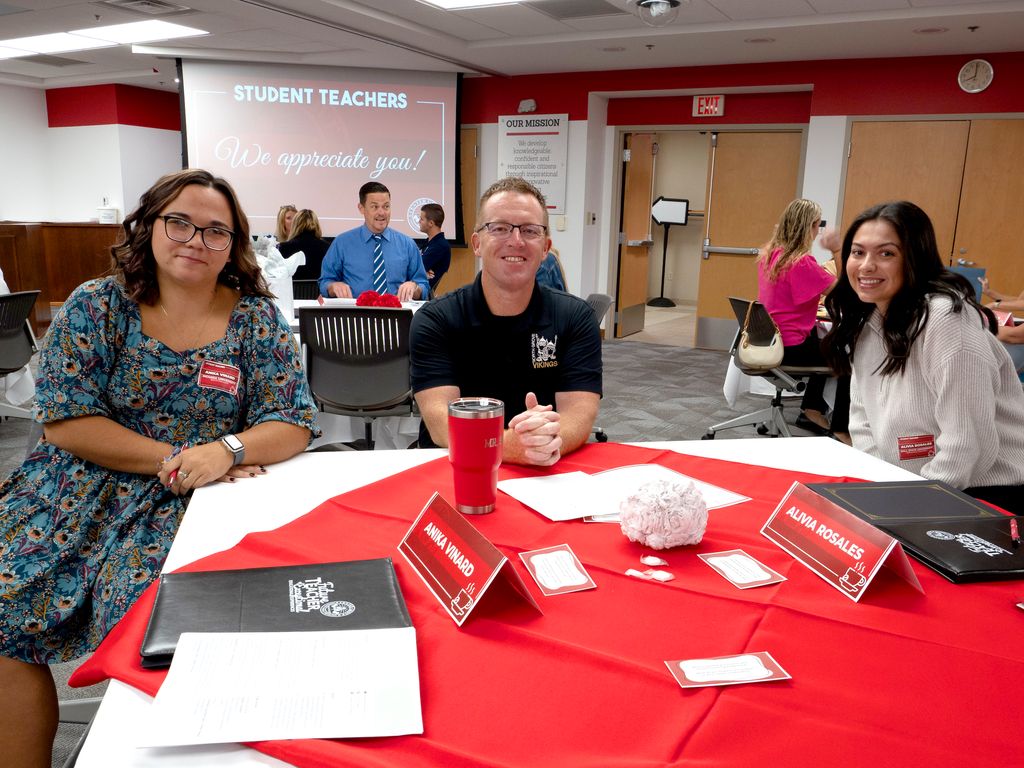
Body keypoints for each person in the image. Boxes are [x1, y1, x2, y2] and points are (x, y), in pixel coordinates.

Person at [0, 168, 320, 767]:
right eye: (180, 223)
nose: (196, 240)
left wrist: (225, 451)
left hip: (193, 497)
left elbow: (292, 420)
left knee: (155, 619)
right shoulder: (97, 305)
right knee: (3, 612)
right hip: (69, 489)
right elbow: (65, 420)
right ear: (149, 226)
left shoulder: (253, 318)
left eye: (216, 231)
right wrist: (170, 458)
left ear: (234, 246)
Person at [822, 200, 1024, 512]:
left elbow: (966, 446)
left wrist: (911, 505)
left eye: (886, 253)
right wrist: (884, 485)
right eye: (858, 252)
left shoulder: (945, 318)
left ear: (914, 259)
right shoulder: (869, 322)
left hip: (986, 495)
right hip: (919, 488)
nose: (866, 265)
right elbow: (863, 422)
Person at [410, 176, 602, 467]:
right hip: (457, 467)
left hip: (547, 467)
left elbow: (578, 415)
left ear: (546, 247)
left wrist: (539, 442)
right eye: (499, 228)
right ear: (477, 243)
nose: (516, 241)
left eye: (530, 230)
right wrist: (507, 446)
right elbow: (440, 425)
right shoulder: (435, 320)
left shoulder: (575, 318)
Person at [757, 198, 850, 442]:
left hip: (772, 341)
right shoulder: (801, 262)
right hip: (790, 347)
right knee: (846, 359)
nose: (818, 231)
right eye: (817, 226)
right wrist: (837, 250)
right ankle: (840, 429)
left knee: (827, 343)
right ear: (809, 227)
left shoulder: (770, 255)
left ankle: (811, 409)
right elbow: (843, 291)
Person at [319, 182, 429, 301]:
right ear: (361, 208)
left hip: (396, 315)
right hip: (356, 315)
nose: (381, 213)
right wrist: (333, 286)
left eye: (386, 206)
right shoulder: (342, 243)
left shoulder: (407, 244)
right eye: (374, 207)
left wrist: (414, 287)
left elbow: (423, 285)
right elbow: (325, 282)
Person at [279, 208, 330, 282]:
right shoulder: (327, 248)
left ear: (295, 224)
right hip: (319, 292)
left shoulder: (283, 247)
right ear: (316, 224)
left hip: (291, 292)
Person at [418, 203, 451, 292]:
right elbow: (417, 267)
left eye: (421, 219)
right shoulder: (428, 242)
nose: (418, 221)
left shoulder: (440, 246)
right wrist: (423, 273)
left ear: (431, 223)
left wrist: (420, 272)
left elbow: (416, 269)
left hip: (421, 294)